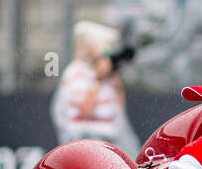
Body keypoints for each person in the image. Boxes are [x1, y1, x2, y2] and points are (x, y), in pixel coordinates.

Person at [50, 21, 140, 153]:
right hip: (86, 144)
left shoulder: (104, 74)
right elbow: (86, 110)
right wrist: (97, 80)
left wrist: (113, 80)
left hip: (111, 142)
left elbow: (119, 111)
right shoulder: (75, 73)